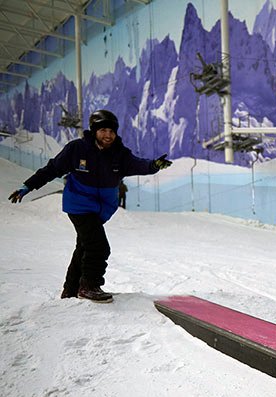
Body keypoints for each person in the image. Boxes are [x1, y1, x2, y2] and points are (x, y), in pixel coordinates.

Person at [7, 109, 172, 303]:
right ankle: (89, 286)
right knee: (98, 246)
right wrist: (28, 186)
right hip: (79, 205)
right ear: (94, 131)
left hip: (102, 209)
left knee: (84, 247)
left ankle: (70, 289)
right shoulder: (77, 149)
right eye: (103, 130)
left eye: (111, 131)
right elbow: (52, 169)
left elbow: (138, 164)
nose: (108, 135)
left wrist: (154, 165)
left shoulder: (120, 154)